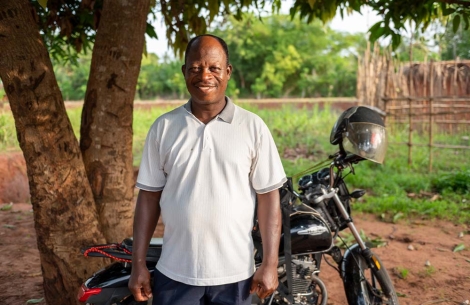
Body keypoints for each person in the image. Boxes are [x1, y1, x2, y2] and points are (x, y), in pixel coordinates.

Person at [129, 34, 287, 305]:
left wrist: (270, 264)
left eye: (214, 68)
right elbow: (149, 197)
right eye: (195, 68)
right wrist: (138, 264)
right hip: (175, 274)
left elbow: (268, 197)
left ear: (227, 72)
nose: (204, 76)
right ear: (184, 72)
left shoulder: (252, 127)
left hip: (236, 277)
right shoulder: (164, 127)